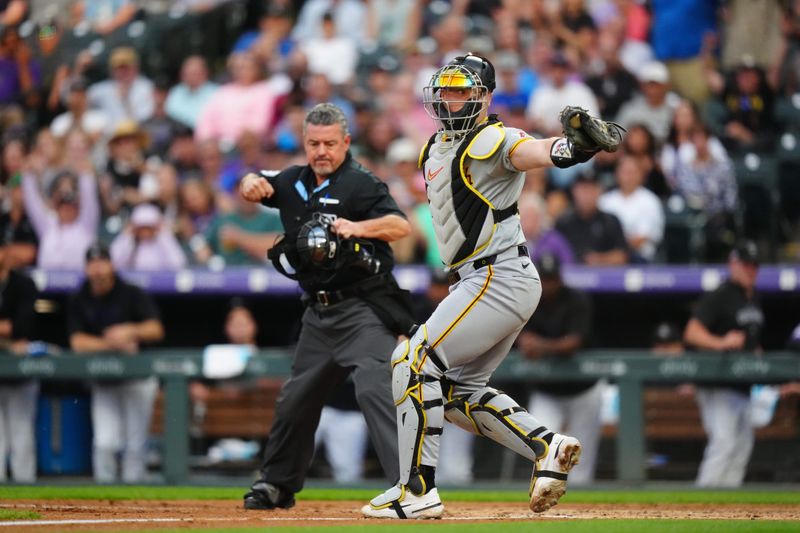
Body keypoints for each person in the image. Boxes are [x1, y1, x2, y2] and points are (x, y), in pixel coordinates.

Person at [362, 53, 618, 519]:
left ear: (482, 96)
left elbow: (535, 150)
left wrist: (573, 148)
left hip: (497, 275)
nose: (449, 97)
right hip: (484, 278)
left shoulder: (493, 136)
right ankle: (547, 445)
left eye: (461, 89)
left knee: (412, 361)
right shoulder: (434, 146)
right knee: (453, 392)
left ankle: (417, 490)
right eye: (445, 89)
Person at [239, 103, 414, 510]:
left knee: (375, 388)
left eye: (330, 143)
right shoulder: (293, 182)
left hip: (362, 308)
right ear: (305, 143)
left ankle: (409, 487)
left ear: (346, 142)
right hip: (318, 313)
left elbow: (400, 225)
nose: (322, 151)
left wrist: (358, 227)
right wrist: (250, 182)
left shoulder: (360, 183)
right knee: (296, 398)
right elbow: (258, 181)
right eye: (315, 143)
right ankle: (277, 484)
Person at [68, 243, 165, 483]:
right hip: (105, 377)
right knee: (104, 443)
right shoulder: (80, 296)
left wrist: (130, 330)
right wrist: (113, 343)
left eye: (102, 262)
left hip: (137, 378)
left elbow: (156, 329)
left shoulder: (130, 292)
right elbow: (77, 342)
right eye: (92, 263)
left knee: (135, 444)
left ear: (111, 265)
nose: (98, 269)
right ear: (86, 268)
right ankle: (104, 499)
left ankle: (133, 504)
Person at [683, 240, 763, 488]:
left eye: (754, 266)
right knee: (724, 442)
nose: (750, 270)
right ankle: (702, 504)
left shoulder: (753, 299)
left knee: (742, 445)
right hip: (718, 381)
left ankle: (728, 506)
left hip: (742, 385)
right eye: (745, 265)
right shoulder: (721, 294)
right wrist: (721, 342)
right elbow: (691, 333)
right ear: (733, 265)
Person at [518, 254, 598, 486]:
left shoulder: (577, 300)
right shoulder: (528, 299)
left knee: (582, 456)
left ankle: (583, 505)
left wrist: (541, 346)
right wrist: (523, 340)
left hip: (583, 389)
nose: (549, 284)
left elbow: (574, 342)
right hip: (547, 390)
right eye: (545, 279)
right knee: (540, 447)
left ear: (560, 279)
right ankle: (543, 490)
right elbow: (512, 330)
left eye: (552, 279)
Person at [0, 225, 39, 483]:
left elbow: (22, 327)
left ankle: (28, 494)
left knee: (21, 436)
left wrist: (10, 332)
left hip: (20, 372)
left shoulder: (23, 283)